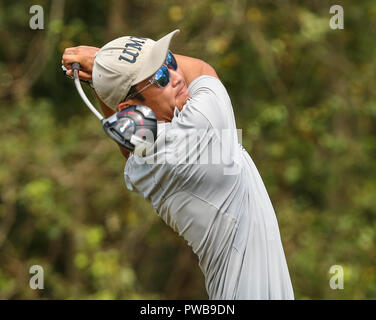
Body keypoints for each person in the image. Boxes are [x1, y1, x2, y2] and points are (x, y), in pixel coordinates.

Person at [62, 29, 294, 299]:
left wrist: (105, 75)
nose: (175, 76)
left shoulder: (144, 161)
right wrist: (101, 58)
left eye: (170, 61)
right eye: (160, 77)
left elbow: (128, 134)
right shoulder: (202, 126)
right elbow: (202, 69)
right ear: (130, 107)